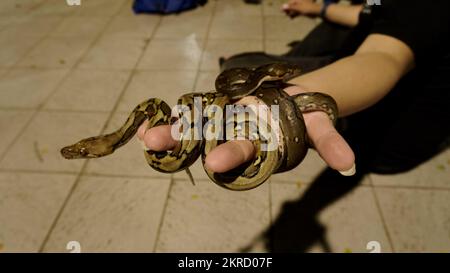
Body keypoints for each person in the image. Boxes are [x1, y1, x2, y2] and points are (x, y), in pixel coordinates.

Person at [138, 0, 450, 177]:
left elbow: (382, 59)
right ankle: (275, 72)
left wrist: (293, 95)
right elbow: (375, 14)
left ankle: (290, 87)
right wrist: (318, 8)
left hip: (383, 142)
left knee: (241, 66)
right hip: (389, 63)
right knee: (250, 61)